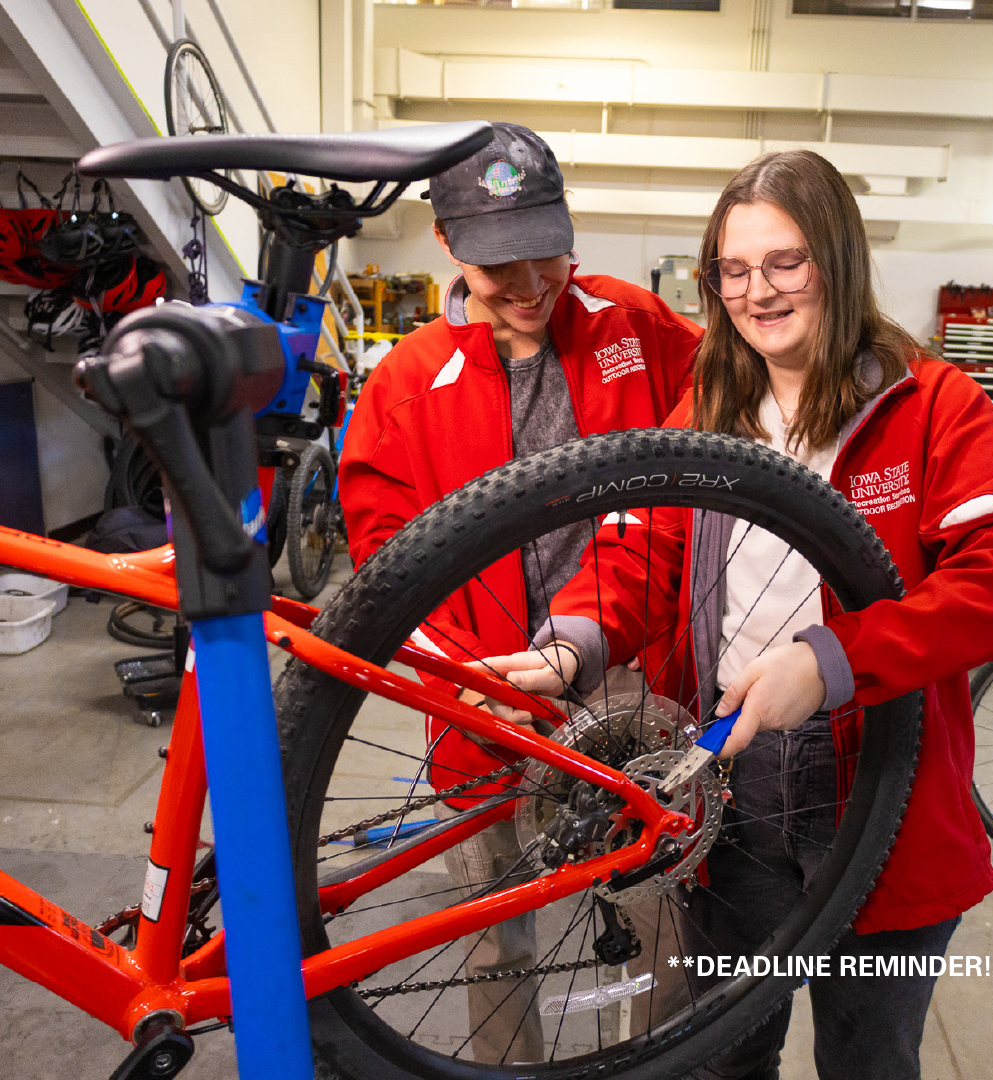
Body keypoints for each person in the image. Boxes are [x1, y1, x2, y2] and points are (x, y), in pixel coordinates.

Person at [476, 148, 993, 1079]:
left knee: (868, 1057)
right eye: (733, 270)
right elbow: (641, 554)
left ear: (838, 257)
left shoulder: (930, 404)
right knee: (721, 1056)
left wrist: (831, 661)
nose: (759, 292)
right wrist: (570, 643)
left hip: (879, 785)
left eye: (786, 261)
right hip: (728, 781)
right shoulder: (706, 407)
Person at [338, 122, 702, 1064]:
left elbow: (713, 484)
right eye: (504, 266)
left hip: (631, 679)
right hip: (479, 695)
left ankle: (654, 1062)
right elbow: (385, 569)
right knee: (491, 927)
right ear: (448, 245)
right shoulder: (404, 389)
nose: (535, 285)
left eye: (549, 251)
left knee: (656, 903)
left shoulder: (643, 332)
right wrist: (443, 677)